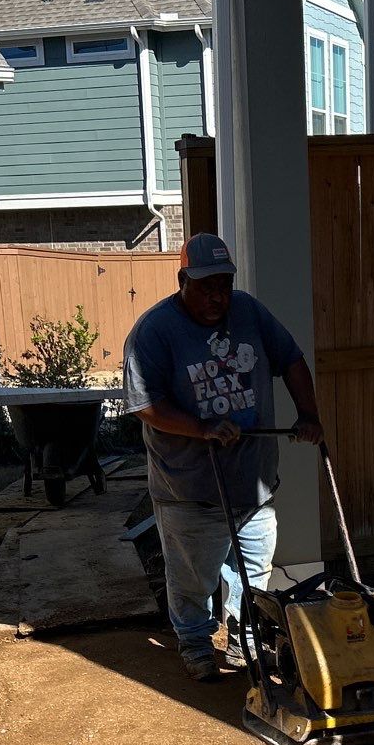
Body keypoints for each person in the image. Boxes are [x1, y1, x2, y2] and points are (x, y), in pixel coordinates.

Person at [123, 232, 324, 682]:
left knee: (254, 571)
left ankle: (243, 642)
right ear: (183, 281)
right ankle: (195, 644)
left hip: (252, 481)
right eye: (206, 287)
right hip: (189, 486)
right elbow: (145, 405)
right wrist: (201, 429)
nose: (218, 297)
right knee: (193, 577)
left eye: (224, 286)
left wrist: (308, 413)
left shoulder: (249, 312)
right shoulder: (154, 332)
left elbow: (291, 359)